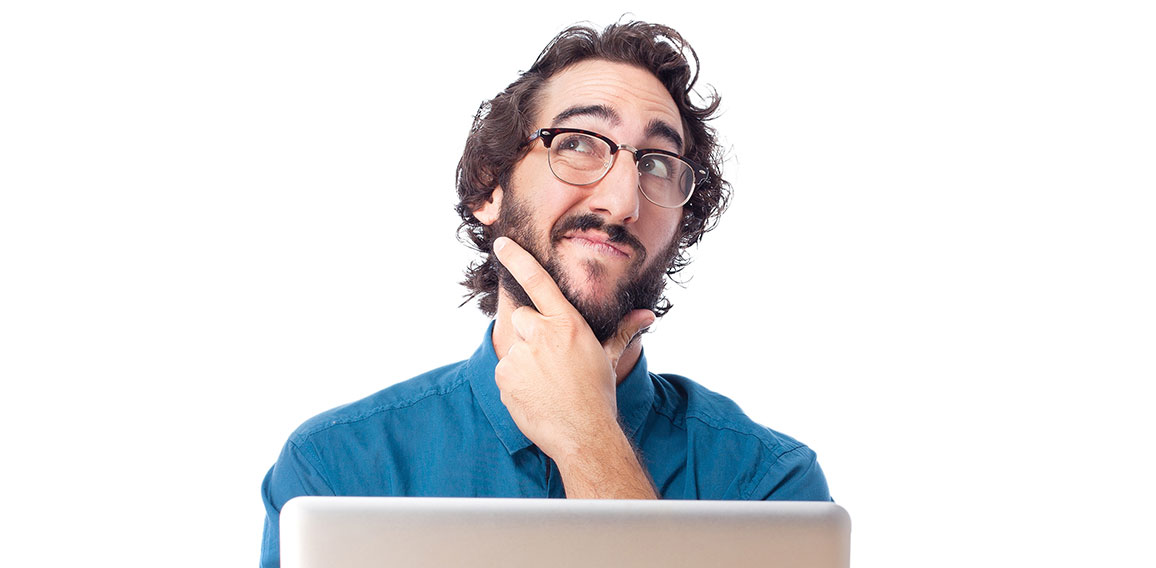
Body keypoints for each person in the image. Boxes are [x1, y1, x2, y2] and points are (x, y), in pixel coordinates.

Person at [260, 20, 831, 567]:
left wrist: (591, 439)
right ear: (490, 185)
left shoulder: (770, 484)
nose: (621, 201)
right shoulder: (338, 469)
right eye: (580, 143)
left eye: (657, 163)